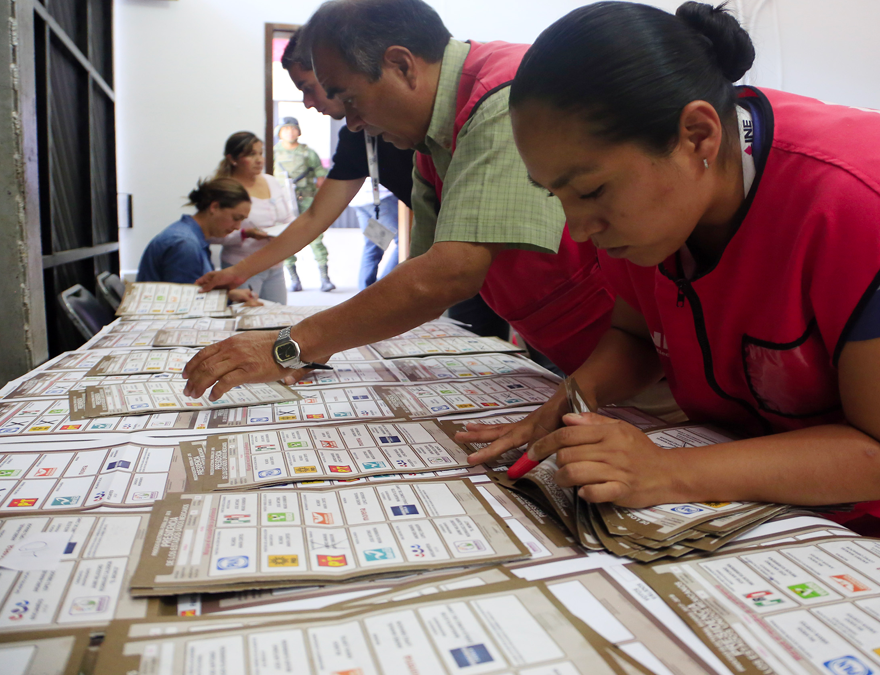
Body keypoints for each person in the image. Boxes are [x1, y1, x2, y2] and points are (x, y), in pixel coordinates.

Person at [466, 1, 880, 579]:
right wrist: (578, 395)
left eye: (593, 191)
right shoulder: (654, 215)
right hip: (795, 439)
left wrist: (666, 472)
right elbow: (635, 333)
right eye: (556, 196)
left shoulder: (863, 199)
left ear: (698, 137)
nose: (578, 228)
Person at [185, 0, 615, 399]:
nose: (351, 122)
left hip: (619, 344)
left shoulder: (503, 95)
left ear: (401, 65)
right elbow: (423, 271)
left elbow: (447, 276)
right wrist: (320, 342)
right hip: (566, 344)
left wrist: (291, 344)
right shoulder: (429, 140)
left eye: (350, 98)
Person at [196, 28, 413, 297]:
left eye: (308, 87)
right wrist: (238, 271)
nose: (307, 103)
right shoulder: (356, 137)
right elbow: (313, 217)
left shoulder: (415, 117)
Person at [136, 178, 260, 305]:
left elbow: (193, 292)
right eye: (236, 218)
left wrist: (230, 295)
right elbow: (187, 304)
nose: (238, 227)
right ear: (214, 207)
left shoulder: (188, 235)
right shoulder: (185, 244)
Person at [211, 131, 297, 303]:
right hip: (243, 266)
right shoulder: (225, 189)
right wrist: (244, 234)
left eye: (260, 153)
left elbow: (288, 217)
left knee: (277, 317)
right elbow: (212, 234)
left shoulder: (271, 181)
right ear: (232, 159)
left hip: (275, 264)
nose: (259, 159)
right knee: (245, 318)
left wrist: (288, 231)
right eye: (251, 154)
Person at [273, 116, 334, 292]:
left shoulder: (308, 153)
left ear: (298, 131)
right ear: (279, 132)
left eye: (293, 128)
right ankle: (294, 279)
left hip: (306, 200)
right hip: (283, 204)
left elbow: (321, 178)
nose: (290, 132)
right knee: (285, 239)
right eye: (285, 129)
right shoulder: (273, 153)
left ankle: (325, 278)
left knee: (315, 238)